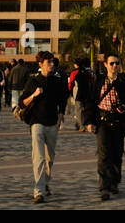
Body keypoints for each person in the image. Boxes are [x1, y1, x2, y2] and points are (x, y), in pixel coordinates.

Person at [83, 53, 125, 200]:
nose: (115, 66)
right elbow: (90, 102)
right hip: (102, 121)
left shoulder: (124, 81)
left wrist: (124, 106)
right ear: (105, 65)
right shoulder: (99, 81)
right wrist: (89, 121)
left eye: (117, 63)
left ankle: (114, 181)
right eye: (112, 63)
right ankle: (104, 187)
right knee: (103, 155)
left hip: (119, 122)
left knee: (117, 153)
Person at [20, 51, 67, 204]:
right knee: (39, 158)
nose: (52, 65)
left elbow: (63, 100)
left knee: (49, 158)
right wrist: (34, 94)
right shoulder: (33, 81)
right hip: (37, 123)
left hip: (53, 123)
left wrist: (60, 117)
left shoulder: (57, 81)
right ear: (41, 64)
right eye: (49, 62)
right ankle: (38, 191)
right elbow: (22, 102)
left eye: (52, 62)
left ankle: (45, 183)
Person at [67, 58, 93, 130]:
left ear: (76, 65)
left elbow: (71, 83)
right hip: (87, 93)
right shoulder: (87, 72)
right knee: (85, 110)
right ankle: (79, 124)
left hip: (79, 94)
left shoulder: (74, 73)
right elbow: (91, 82)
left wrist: (69, 91)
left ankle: (81, 126)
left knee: (78, 110)